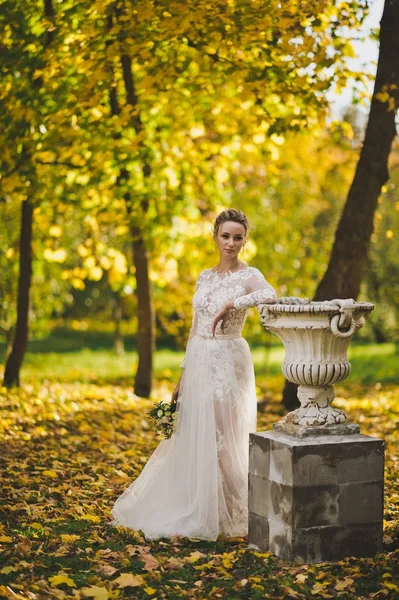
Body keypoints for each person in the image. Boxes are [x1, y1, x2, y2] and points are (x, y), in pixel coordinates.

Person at [111, 208, 277, 540]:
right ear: (215, 236)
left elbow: (270, 294)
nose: (231, 243)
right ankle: (209, 508)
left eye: (238, 237)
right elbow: (193, 328)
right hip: (199, 358)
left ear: (245, 240)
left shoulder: (249, 275)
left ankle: (249, 512)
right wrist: (182, 377)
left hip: (228, 359)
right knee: (197, 434)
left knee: (224, 439)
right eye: (225, 236)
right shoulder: (204, 276)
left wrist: (233, 304)